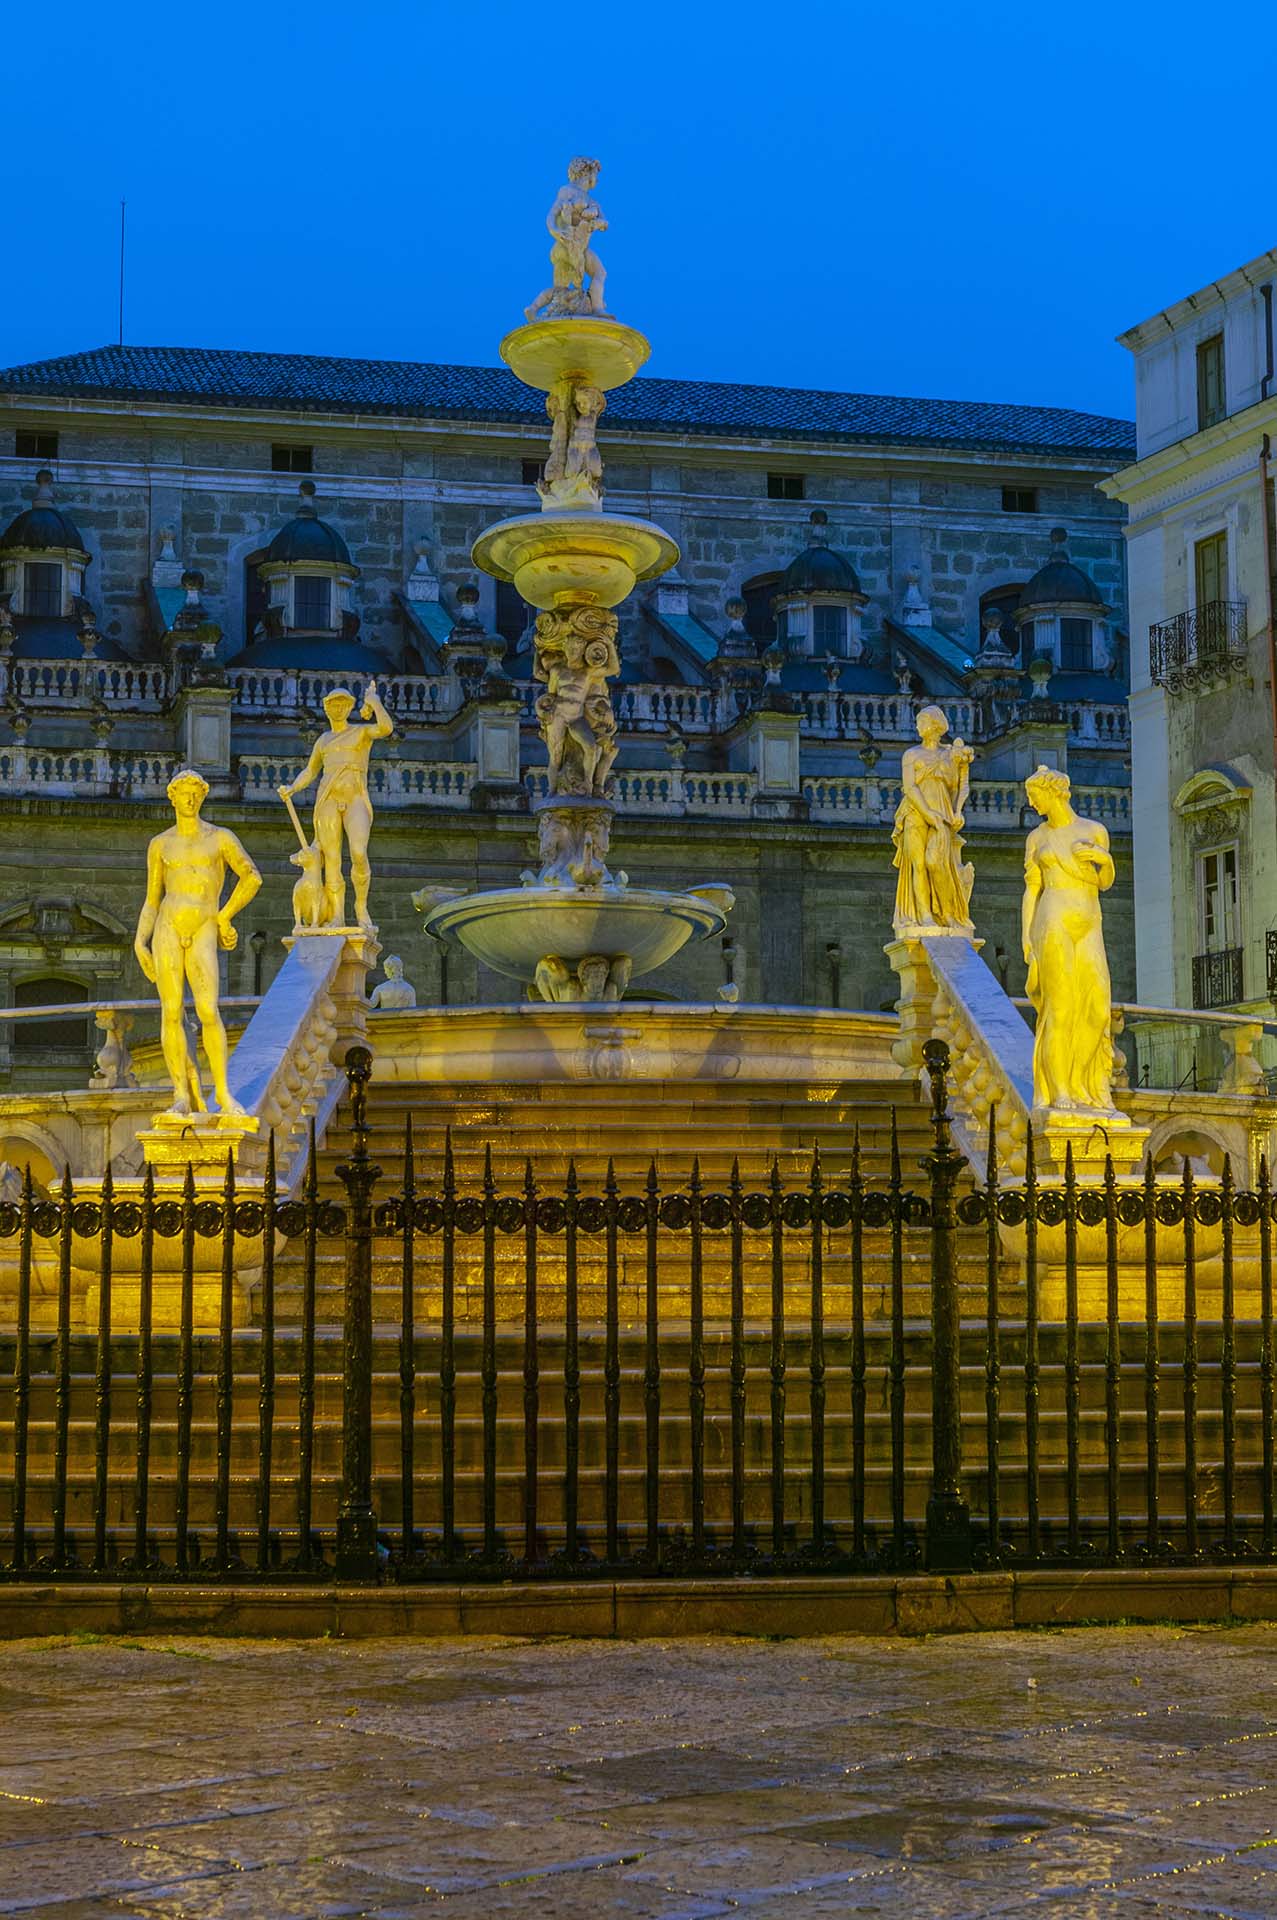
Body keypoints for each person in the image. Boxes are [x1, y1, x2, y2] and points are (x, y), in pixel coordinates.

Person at [134, 769, 261, 1119]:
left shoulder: (219, 838)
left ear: (202, 797)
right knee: (171, 1011)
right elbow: (152, 899)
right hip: (167, 928)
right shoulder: (160, 844)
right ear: (172, 797)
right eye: (184, 793)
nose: (190, 799)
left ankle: (222, 1090)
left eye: (196, 794)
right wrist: (139, 941)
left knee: (208, 1010)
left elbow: (252, 876)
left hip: (204, 924)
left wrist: (225, 916)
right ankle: (180, 1094)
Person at [1022, 764, 1116, 1112]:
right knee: (1059, 1010)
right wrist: (1026, 938)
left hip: (1089, 922)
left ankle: (1087, 1085)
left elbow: (1104, 881)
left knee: (1096, 1009)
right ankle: (1060, 1091)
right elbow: (1032, 892)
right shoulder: (1037, 838)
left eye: (1035, 797)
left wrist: (1102, 859)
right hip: (1053, 920)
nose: (1032, 804)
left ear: (1053, 792)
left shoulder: (1095, 831)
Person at [278, 681, 392, 929]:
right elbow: (310, 771)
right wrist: (293, 788)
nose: (338, 709)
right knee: (331, 859)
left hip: (355, 798)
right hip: (327, 798)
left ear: (350, 707)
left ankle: (360, 906)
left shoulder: (360, 732)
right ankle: (337, 915)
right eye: (333, 705)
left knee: (359, 853)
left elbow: (385, 727)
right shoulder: (323, 741)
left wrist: (374, 702)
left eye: (343, 704)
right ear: (327, 709)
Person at [891, 706, 975, 935]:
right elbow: (909, 787)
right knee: (918, 864)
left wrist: (958, 812)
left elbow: (960, 787)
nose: (918, 726)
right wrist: (928, 814)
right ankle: (925, 915)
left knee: (937, 864)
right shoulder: (911, 755)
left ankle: (947, 913)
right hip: (915, 813)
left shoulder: (950, 756)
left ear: (935, 725)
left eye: (922, 721)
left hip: (943, 812)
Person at [525, 157, 609, 321]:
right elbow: (551, 215)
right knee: (596, 274)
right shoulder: (568, 191)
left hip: (579, 248)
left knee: (566, 287)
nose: (597, 180)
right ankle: (597, 308)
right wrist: (555, 231)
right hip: (567, 246)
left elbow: (605, 223)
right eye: (595, 175)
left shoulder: (592, 201)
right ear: (586, 173)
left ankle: (534, 307)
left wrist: (598, 223)